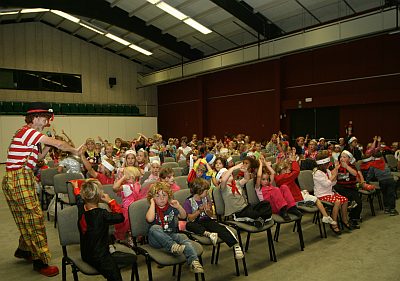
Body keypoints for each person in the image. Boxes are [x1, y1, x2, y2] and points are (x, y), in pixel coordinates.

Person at [2, 102, 80, 277]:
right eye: (45, 117)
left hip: (20, 178)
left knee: (26, 217)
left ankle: (24, 250)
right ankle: (40, 262)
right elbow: (60, 144)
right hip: (19, 179)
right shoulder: (29, 132)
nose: (47, 121)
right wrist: (75, 151)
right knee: (35, 218)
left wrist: (47, 147)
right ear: (35, 118)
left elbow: (37, 160)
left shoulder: (28, 135)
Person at [74, 179, 136, 281]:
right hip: (101, 256)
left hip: (86, 254)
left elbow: (78, 198)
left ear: (84, 196)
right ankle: (111, 254)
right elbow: (120, 217)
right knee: (130, 261)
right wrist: (110, 201)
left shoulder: (81, 207)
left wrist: (76, 187)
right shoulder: (102, 214)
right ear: (99, 197)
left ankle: (111, 252)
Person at [146, 182, 204, 274]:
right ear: (152, 198)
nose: (161, 198)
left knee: (183, 237)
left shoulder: (171, 207)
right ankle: (172, 246)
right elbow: (149, 219)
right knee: (154, 228)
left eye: (164, 195)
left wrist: (179, 206)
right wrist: (152, 203)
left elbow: (183, 216)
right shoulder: (152, 208)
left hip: (170, 234)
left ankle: (194, 262)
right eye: (157, 196)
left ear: (168, 196)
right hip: (156, 240)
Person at [184, 178, 244, 259]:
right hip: (195, 222)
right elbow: (190, 218)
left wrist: (208, 211)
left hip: (206, 221)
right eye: (206, 191)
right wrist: (199, 211)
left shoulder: (206, 198)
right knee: (189, 225)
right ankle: (208, 234)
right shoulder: (188, 201)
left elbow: (211, 215)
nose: (207, 193)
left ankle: (235, 245)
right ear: (199, 191)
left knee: (219, 227)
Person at [274, 154, 334, 224]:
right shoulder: (285, 177)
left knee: (310, 197)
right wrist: (293, 161)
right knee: (316, 200)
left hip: (296, 198)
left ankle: (325, 215)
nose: (290, 171)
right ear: (283, 171)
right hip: (297, 201)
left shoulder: (280, 178)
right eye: (288, 170)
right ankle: (325, 216)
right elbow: (296, 171)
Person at [219, 162, 272, 227]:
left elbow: (246, 179)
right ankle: (261, 218)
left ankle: (260, 219)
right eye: (225, 174)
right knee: (255, 213)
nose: (228, 173)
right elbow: (224, 180)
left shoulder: (236, 183)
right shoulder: (224, 188)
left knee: (266, 203)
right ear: (220, 179)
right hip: (238, 212)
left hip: (246, 207)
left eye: (228, 172)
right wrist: (233, 168)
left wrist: (245, 171)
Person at [313, 152, 350, 235]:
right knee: (337, 202)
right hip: (321, 195)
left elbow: (333, 183)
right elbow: (327, 184)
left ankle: (344, 219)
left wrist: (333, 176)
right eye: (326, 164)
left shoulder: (327, 171)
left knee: (345, 200)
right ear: (322, 164)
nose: (328, 165)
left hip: (329, 193)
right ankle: (334, 223)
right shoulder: (317, 173)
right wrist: (334, 175)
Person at [255, 157, 302, 221]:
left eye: (267, 179)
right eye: (263, 180)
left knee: (284, 186)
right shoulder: (258, 187)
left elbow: (273, 173)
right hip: (270, 207)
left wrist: (265, 162)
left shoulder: (269, 184)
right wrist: (260, 164)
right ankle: (283, 211)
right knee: (276, 189)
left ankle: (292, 208)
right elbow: (259, 176)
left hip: (278, 204)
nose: (266, 181)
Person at [113, 167, 143, 243]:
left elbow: (115, 188)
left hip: (127, 210)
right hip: (136, 209)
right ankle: (133, 238)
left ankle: (128, 239)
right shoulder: (137, 184)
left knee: (125, 227)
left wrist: (122, 178)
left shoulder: (126, 187)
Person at [335, 150, 362, 229]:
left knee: (358, 202)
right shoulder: (337, 166)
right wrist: (336, 168)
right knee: (351, 199)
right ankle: (349, 206)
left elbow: (355, 174)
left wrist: (346, 167)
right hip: (340, 188)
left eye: (344, 157)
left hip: (351, 188)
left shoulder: (352, 166)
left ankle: (353, 219)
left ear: (349, 159)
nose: (342, 159)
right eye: (341, 157)